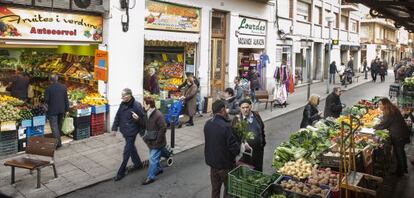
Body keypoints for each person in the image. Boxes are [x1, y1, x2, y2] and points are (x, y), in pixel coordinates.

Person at [204, 100, 240, 198]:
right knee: (228, 189)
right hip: (225, 165)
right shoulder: (226, 127)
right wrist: (238, 148)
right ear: (223, 110)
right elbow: (234, 147)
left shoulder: (207, 124)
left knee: (215, 189)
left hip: (213, 164)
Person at [111, 88, 145, 181]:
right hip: (124, 131)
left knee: (126, 152)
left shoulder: (136, 106)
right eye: (121, 95)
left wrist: (138, 121)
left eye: (123, 95)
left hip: (132, 132)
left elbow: (143, 119)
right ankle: (138, 164)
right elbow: (118, 116)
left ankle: (120, 172)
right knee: (131, 148)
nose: (121, 97)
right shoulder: (123, 104)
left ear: (129, 95)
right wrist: (114, 128)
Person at [374, 98, 410, 176]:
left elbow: (384, 124)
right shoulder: (392, 109)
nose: (379, 106)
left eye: (380, 104)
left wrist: (374, 127)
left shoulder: (390, 112)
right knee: (400, 152)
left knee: (399, 153)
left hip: (399, 135)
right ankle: (403, 169)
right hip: (402, 133)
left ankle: (401, 172)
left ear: (385, 105)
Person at [141, 96, 167, 185]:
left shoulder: (158, 115)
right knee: (155, 157)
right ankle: (159, 169)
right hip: (151, 140)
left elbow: (163, 128)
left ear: (149, 105)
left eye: (144, 104)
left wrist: (157, 141)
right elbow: (144, 124)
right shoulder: (147, 113)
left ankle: (150, 177)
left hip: (157, 141)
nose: (143, 105)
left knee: (152, 158)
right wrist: (137, 120)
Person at [238, 99, 266, 171]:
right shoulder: (238, 120)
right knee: (248, 172)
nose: (245, 110)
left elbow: (262, 128)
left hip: (258, 150)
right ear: (240, 108)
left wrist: (262, 142)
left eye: (247, 107)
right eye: (243, 108)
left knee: (258, 169)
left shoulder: (256, 115)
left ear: (250, 106)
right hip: (246, 153)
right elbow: (235, 137)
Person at [44, 74, 69, 148]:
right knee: (58, 126)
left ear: (50, 80)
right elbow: (66, 99)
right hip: (62, 109)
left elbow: (46, 100)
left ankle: (58, 143)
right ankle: (58, 140)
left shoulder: (48, 88)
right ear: (57, 79)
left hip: (52, 110)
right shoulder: (63, 87)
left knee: (54, 127)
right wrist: (67, 109)